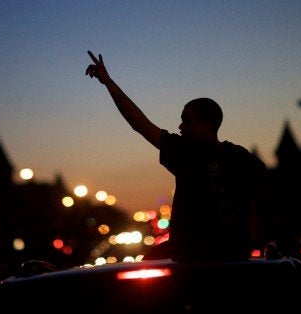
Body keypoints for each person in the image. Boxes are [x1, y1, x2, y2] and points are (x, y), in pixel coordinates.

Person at [85, 50, 269, 262]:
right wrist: (108, 82)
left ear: (208, 124)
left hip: (204, 265)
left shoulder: (201, 153)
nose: (180, 126)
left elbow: (138, 122)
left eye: (187, 121)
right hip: (220, 262)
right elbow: (138, 122)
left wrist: (108, 82)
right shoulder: (234, 156)